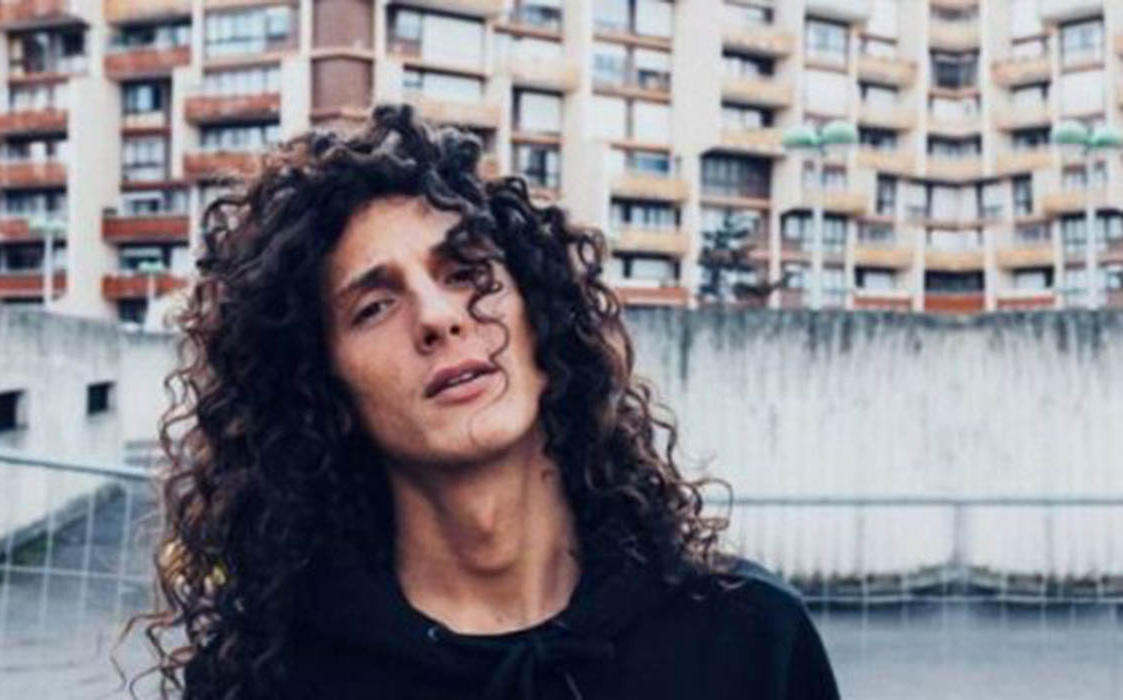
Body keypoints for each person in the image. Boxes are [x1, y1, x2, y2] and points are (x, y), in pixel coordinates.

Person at [125, 104, 840, 699]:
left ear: (542, 317)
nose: (439, 318)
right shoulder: (268, 679)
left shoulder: (749, 639)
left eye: (467, 273)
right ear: (323, 389)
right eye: (374, 306)